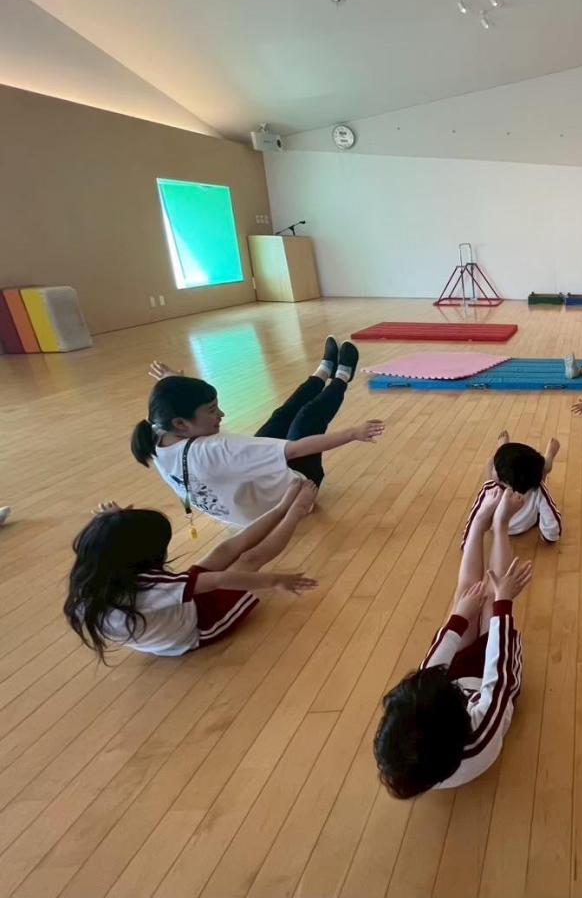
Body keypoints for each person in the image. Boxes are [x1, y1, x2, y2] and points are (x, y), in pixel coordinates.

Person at [375, 486, 533, 795]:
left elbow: (430, 670)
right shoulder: (480, 736)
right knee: (490, 601)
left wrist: (459, 617)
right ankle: (500, 523)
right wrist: (504, 603)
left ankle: (478, 525)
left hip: (451, 696)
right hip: (490, 682)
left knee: (465, 597)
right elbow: (499, 677)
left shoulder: (406, 760)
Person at [134, 336, 384, 528]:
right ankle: (341, 377)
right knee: (306, 419)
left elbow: (164, 409)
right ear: (180, 423)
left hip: (247, 491)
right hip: (295, 492)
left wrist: (171, 381)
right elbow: (296, 449)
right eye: (212, 410)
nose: (221, 414)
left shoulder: (154, 434)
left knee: (281, 416)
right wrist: (353, 433)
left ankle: (322, 372)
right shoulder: (217, 449)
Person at [64, 480, 319, 660]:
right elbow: (219, 580)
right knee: (250, 560)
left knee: (223, 550)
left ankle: (281, 508)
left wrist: (115, 520)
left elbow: (107, 543)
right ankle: (295, 512)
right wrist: (274, 580)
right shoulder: (150, 587)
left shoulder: (96, 577)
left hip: (170, 613)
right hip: (200, 627)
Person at [460, 433, 562, 546]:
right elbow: (551, 516)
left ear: (503, 480)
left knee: (489, 462)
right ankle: (545, 464)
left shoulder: (490, 490)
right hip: (526, 524)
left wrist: (467, 541)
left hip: (497, 526)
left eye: (496, 467)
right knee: (536, 476)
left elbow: (475, 516)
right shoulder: (538, 489)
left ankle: (502, 450)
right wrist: (550, 537)